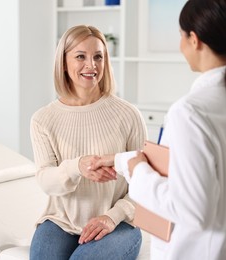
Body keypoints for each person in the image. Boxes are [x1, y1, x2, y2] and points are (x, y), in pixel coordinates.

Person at [92, 0, 226, 259]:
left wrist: (139, 173)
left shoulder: (189, 112)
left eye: (181, 36)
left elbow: (192, 209)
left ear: (194, 39)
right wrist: (123, 160)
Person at [29, 25, 147, 259]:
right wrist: (78, 167)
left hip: (119, 223)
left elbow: (145, 183)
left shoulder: (128, 114)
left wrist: (112, 217)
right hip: (61, 221)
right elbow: (45, 180)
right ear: (63, 62)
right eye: (80, 56)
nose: (91, 65)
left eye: (98, 57)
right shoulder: (43, 119)